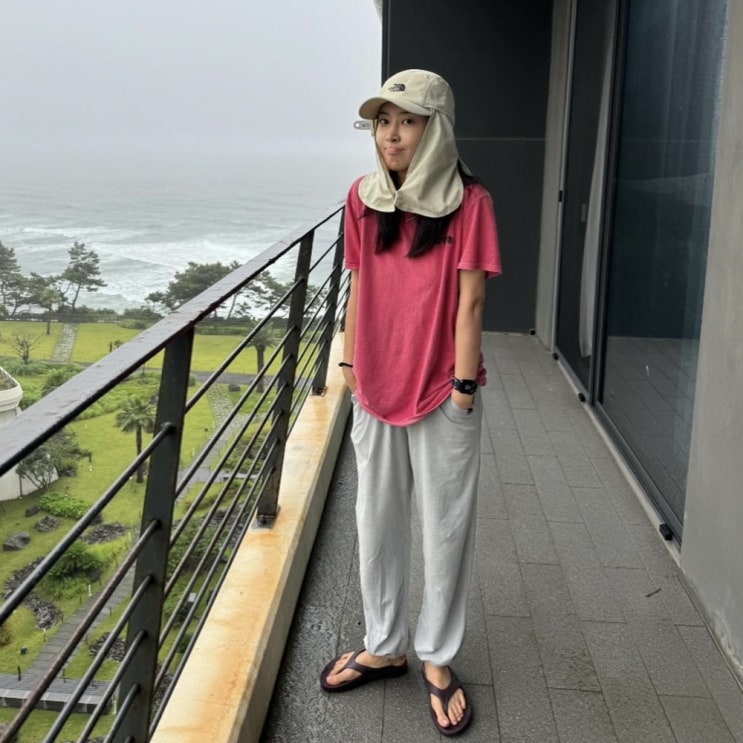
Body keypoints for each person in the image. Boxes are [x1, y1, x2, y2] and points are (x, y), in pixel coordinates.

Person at [319, 69, 501, 737]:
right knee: (375, 519)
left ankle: (437, 656)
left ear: (436, 128)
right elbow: (357, 282)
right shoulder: (361, 197)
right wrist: (348, 363)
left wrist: (462, 390)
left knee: (444, 526)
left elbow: (471, 302)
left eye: (406, 121)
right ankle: (385, 644)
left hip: (441, 388)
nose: (390, 135)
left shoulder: (470, 202)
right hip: (373, 383)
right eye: (382, 122)